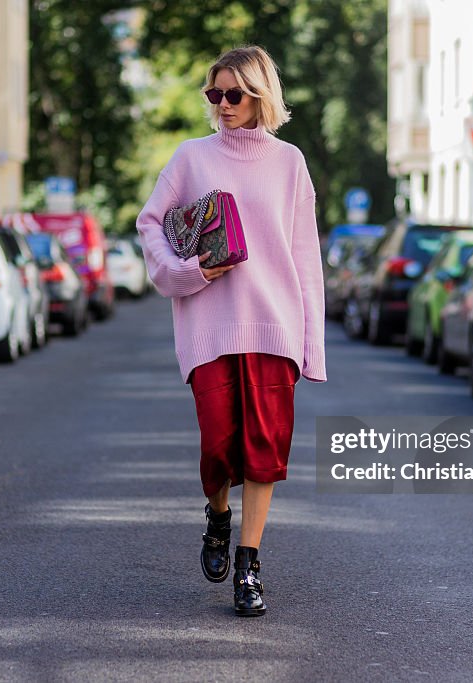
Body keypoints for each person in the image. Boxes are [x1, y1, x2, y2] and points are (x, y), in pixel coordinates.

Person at [136, 46, 326, 617]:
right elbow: (151, 224)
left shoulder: (290, 162)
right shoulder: (191, 158)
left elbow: (305, 256)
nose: (221, 105)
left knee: (263, 452)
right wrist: (187, 272)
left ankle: (250, 563)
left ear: (260, 96)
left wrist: (309, 346)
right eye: (214, 94)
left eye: (233, 94)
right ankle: (217, 516)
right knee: (220, 447)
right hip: (210, 327)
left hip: (274, 327)